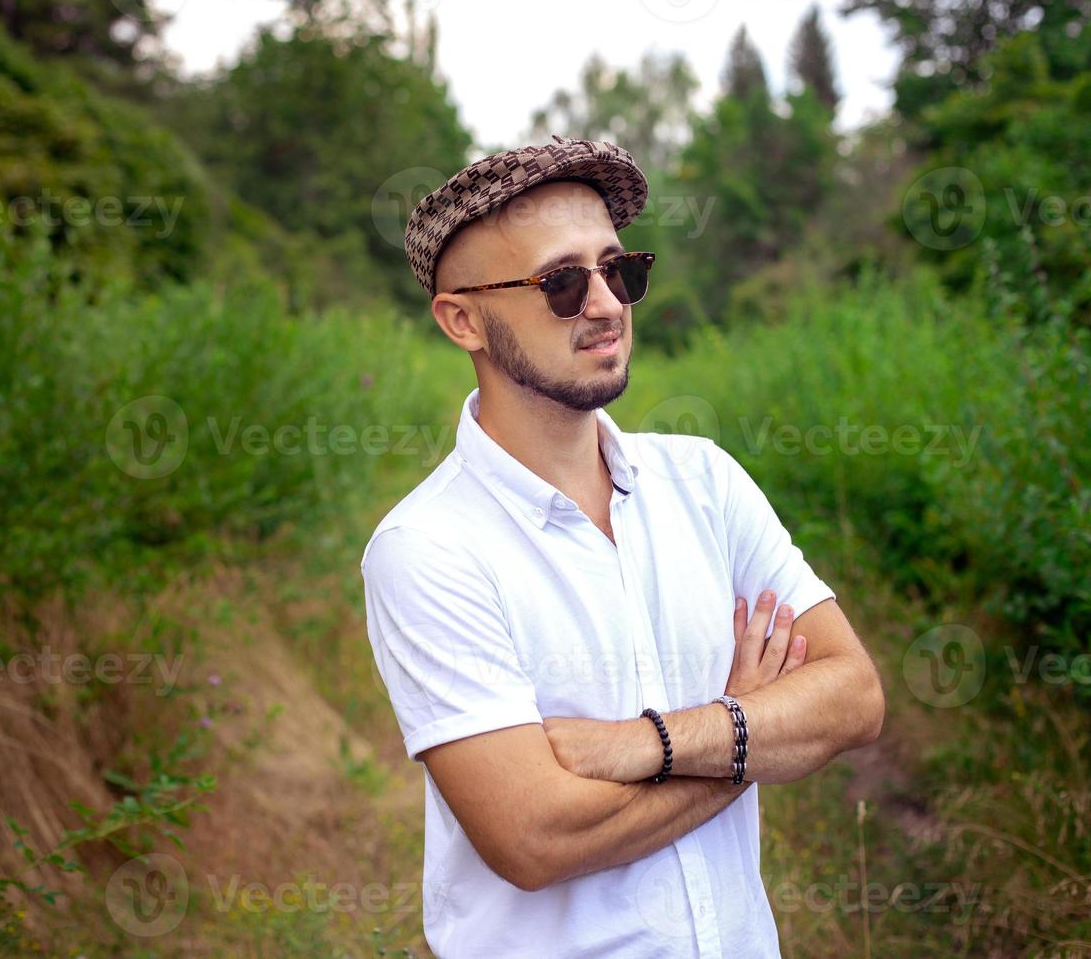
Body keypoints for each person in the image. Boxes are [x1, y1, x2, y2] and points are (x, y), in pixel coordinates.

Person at [360, 135, 885, 958]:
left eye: (620, 269)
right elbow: (534, 841)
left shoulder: (704, 483)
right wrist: (747, 731)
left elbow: (853, 697)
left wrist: (647, 744)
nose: (606, 303)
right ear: (462, 319)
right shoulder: (428, 550)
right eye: (561, 283)